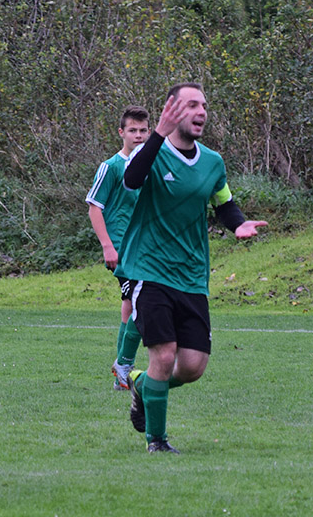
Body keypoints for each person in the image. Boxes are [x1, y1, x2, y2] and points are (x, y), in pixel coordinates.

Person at [115, 82, 267, 453]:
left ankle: (139, 382)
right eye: (192, 105)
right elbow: (131, 179)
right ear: (172, 110)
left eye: (204, 106)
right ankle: (158, 442)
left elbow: (224, 204)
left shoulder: (213, 162)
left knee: (192, 367)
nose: (201, 112)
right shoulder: (152, 152)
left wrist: (238, 224)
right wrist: (158, 133)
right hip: (149, 270)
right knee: (164, 355)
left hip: (192, 276)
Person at [86, 106, 150, 391]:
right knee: (140, 303)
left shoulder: (153, 164)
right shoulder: (110, 167)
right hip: (123, 250)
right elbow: (94, 208)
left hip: (146, 246)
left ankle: (122, 370)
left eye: (143, 130)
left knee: (131, 305)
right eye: (133, 130)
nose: (138, 135)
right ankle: (124, 367)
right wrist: (107, 246)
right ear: (121, 133)